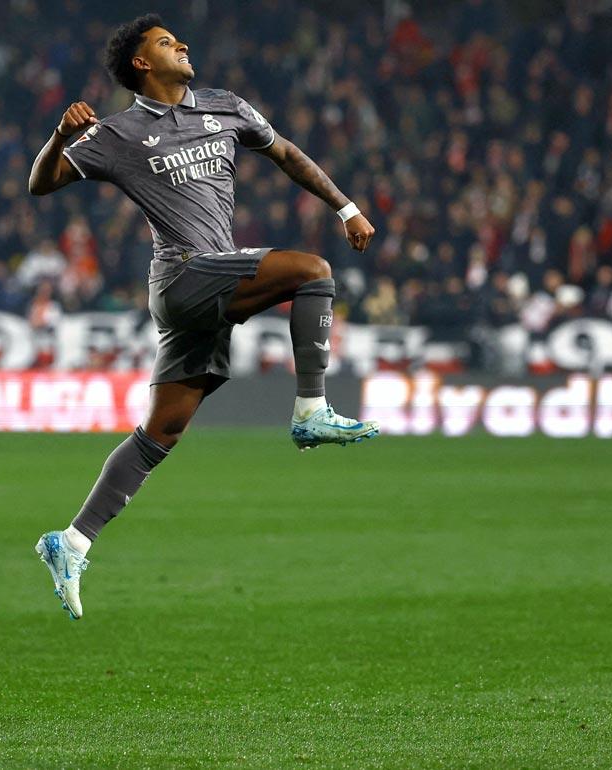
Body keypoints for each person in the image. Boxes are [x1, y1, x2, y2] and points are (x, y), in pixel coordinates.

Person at [27, 15, 378, 620]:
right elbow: (41, 184)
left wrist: (344, 206)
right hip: (185, 274)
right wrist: (60, 136)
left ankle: (72, 541)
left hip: (205, 284)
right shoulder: (118, 132)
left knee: (161, 431)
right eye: (165, 43)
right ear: (141, 64)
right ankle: (310, 410)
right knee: (313, 271)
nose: (182, 45)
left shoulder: (224, 106)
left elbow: (287, 154)